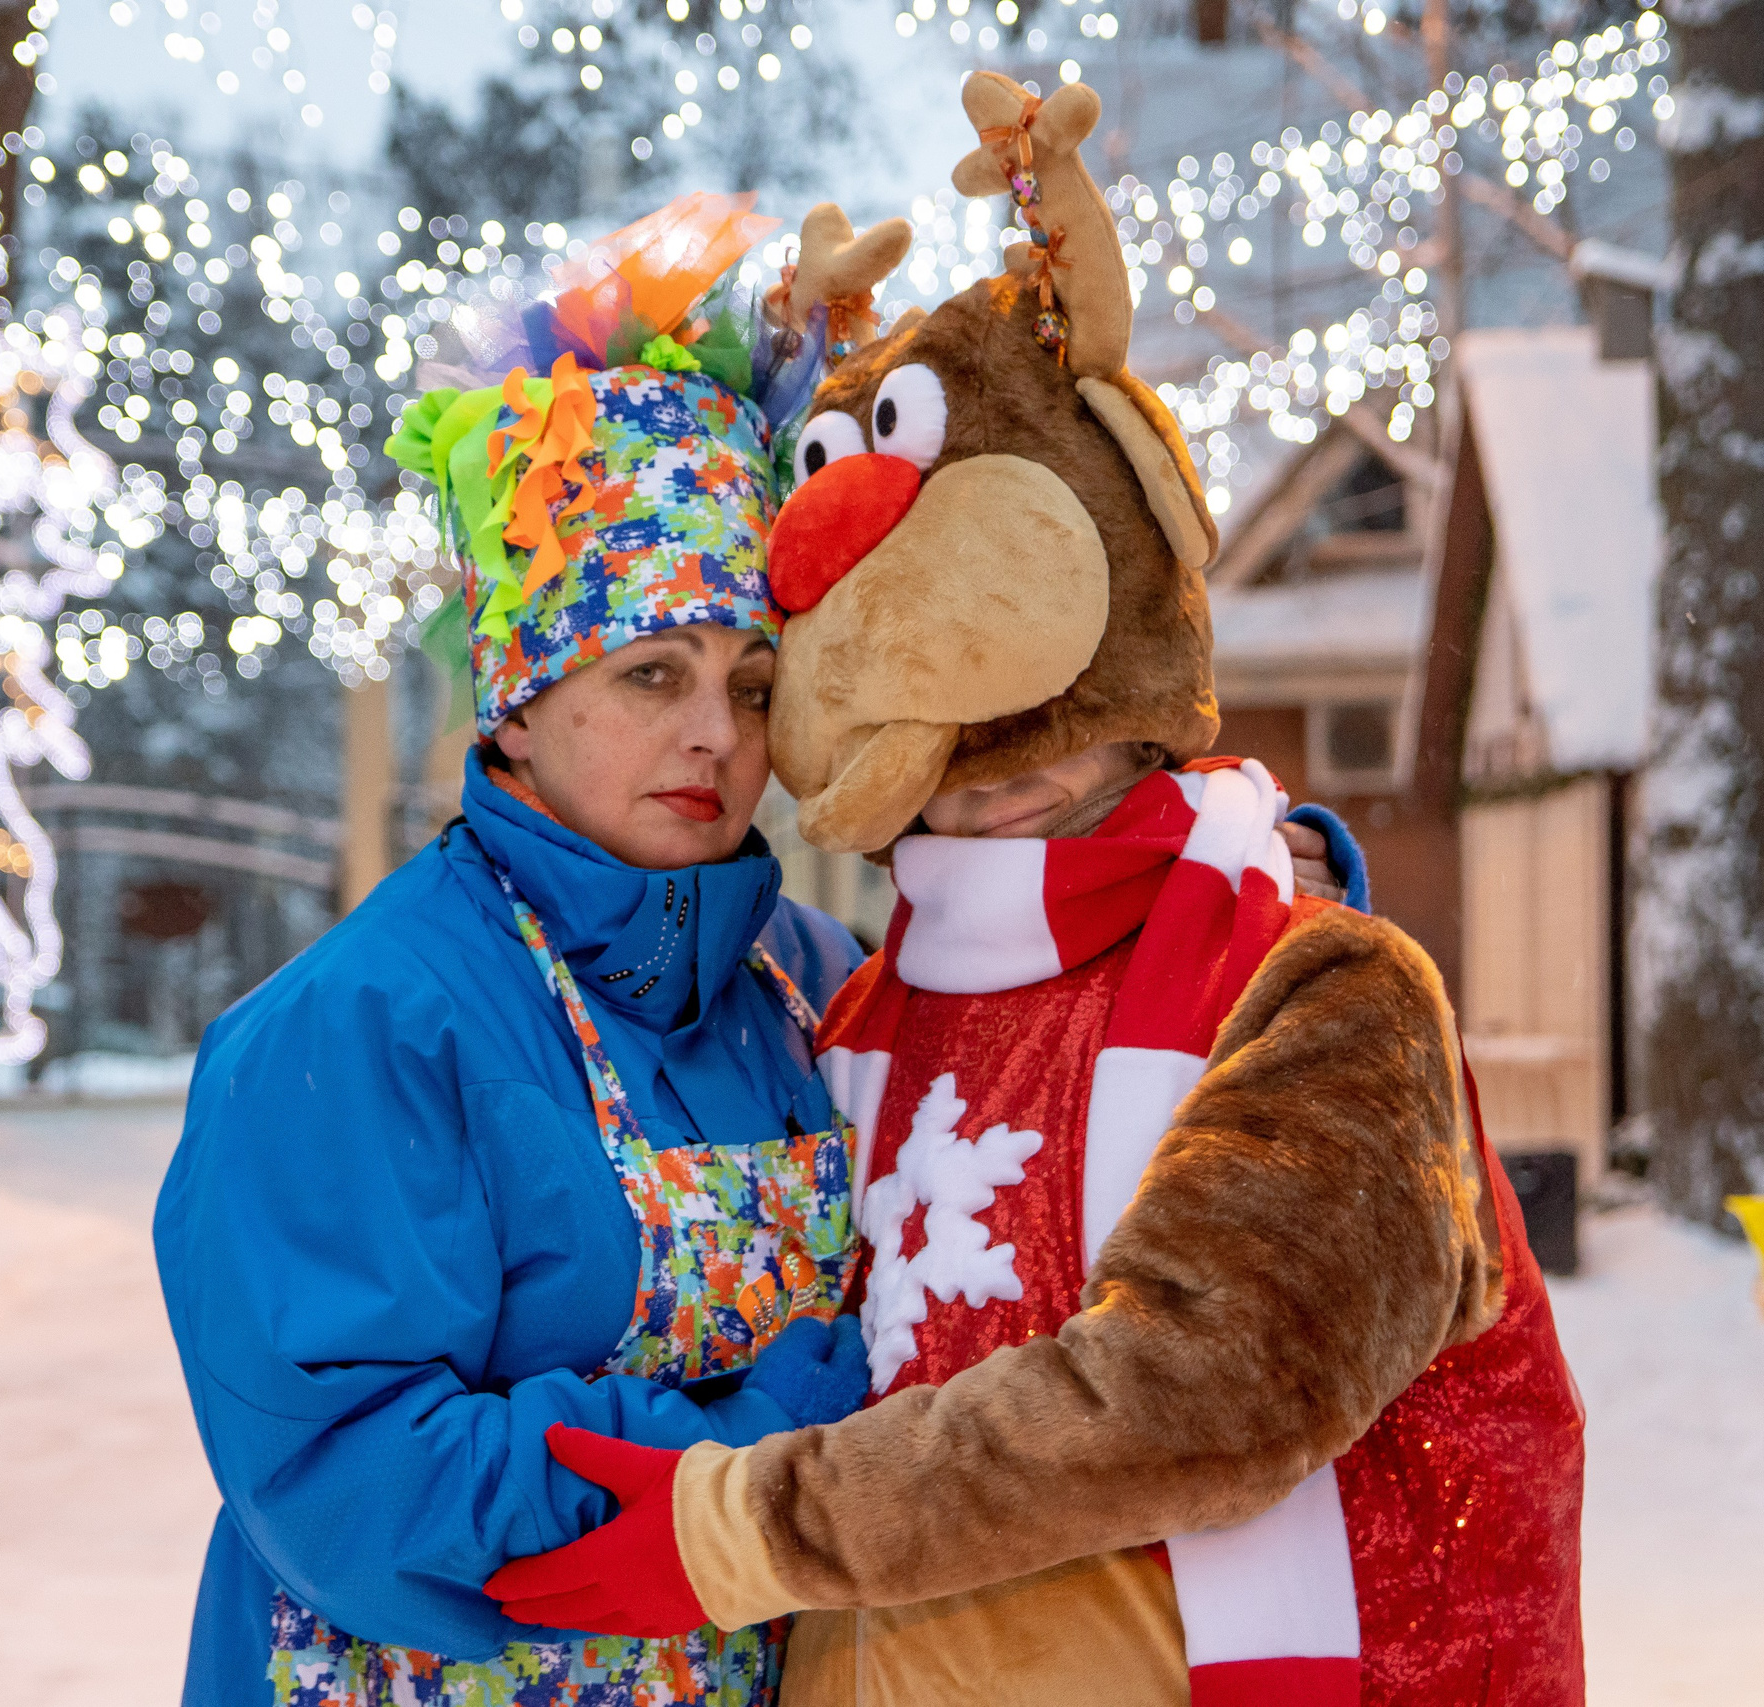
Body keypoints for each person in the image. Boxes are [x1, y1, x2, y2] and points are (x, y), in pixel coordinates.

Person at [156, 191, 1358, 1707]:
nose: (714, 734)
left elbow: (1056, 1034)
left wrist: (1245, 874)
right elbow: (353, 1479)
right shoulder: (363, 1026)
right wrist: (775, 1462)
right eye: (650, 674)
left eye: (751, 674)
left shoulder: (810, 973)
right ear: (513, 700)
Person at [483, 74, 1583, 1707]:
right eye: (945, 741)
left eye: (1039, 731)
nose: (996, 773)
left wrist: (749, 1526)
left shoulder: (1322, 990)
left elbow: (1211, 1386)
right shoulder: (868, 1010)